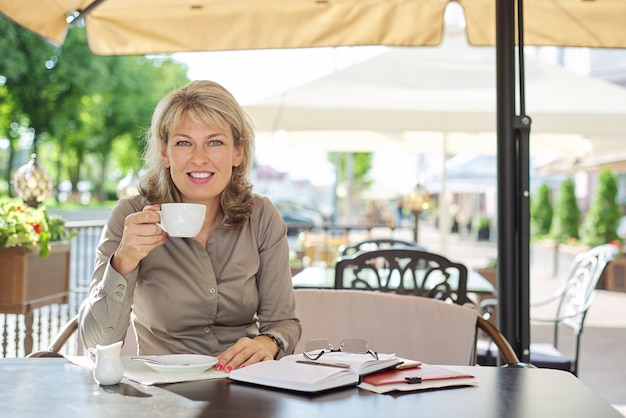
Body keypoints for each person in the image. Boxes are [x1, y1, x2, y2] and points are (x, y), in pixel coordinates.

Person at [78, 80, 302, 372]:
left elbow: (284, 322)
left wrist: (268, 342)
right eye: (184, 142)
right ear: (165, 153)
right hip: (164, 394)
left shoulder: (261, 217)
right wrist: (123, 261)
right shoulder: (130, 216)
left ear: (238, 153)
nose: (199, 158)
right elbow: (97, 343)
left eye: (215, 142)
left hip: (243, 385)